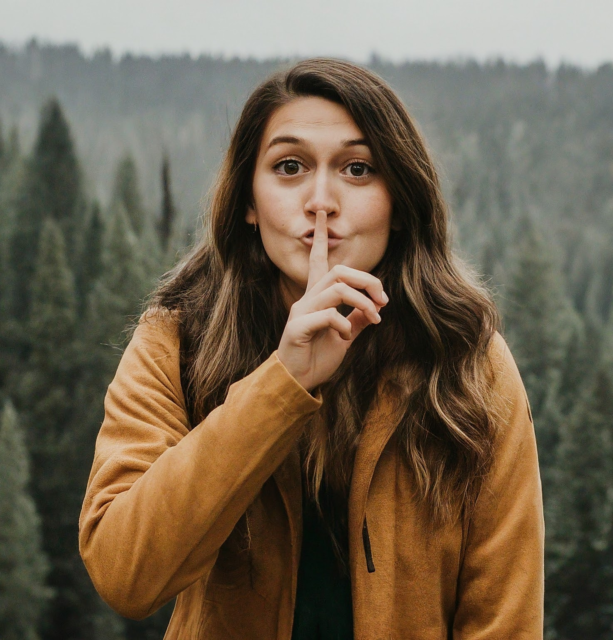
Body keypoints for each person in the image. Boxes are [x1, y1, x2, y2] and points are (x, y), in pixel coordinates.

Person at [79, 58, 544, 639]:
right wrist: (281, 383)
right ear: (249, 201)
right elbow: (126, 575)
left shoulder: (468, 362)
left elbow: (504, 620)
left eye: (357, 169)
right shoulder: (176, 340)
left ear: (398, 202)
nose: (321, 201)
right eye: (290, 166)